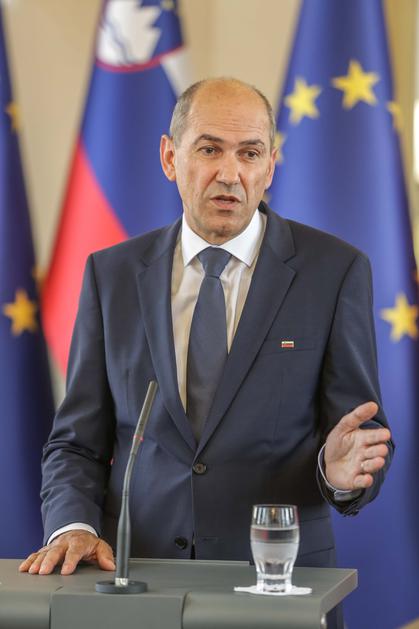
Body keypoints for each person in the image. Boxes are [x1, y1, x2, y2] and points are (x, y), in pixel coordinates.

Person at [20, 79, 392, 594]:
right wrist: (73, 526)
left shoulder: (333, 271)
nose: (230, 174)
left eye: (250, 153)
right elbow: (77, 442)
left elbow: (360, 433)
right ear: (170, 157)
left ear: (270, 166)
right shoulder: (112, 275)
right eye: (210, 149)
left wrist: (341, 473)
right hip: (135, 577)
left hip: (278, 580)